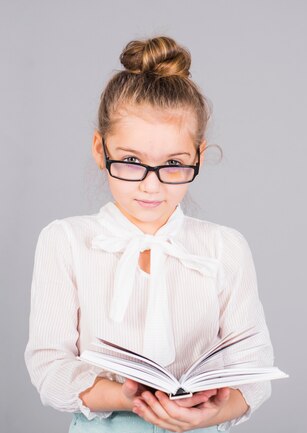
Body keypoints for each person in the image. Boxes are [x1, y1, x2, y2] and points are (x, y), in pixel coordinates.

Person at [24, 36, 275, 433]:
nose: (150, 186)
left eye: (173, 164)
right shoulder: (67, 242)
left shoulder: (224, 248)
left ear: (199, 157)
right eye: (130, 161)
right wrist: (127, 396)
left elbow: (255, 370)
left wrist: (210, 413)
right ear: (99, 149)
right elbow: (49, 367)